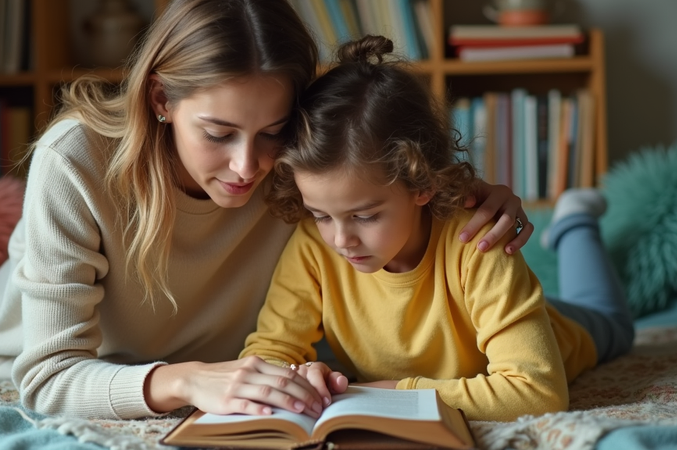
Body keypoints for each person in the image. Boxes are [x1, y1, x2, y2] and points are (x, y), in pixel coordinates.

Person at [0, 1, 533, 421]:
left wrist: (471, 193)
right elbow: (48, 376)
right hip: (36, 350)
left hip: (219, 363)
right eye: (218, 133)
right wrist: (187, 382)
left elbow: (373, 154)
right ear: (162, 99)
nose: (246, 167)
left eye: (273, 132)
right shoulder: (76, 161)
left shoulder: (289, 164)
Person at [241, 36, 635, 422]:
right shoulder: (313, 244)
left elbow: (537, 392)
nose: (340, 240)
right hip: (489, 320)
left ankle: (575, 218)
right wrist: (290, 378)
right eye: (322, 215)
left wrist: (382, 393)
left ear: (422, 183)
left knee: (614, 321)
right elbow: (271, 350)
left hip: (564, 333)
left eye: (365, 216)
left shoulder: (477, 242)